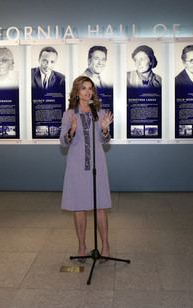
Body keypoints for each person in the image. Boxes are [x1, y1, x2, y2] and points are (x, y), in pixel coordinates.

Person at [60, 76, 114, 258]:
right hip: (76, 166)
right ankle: (82, 246)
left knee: (100, 207)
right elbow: (63, 142)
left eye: (90, 88)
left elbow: (105, 140)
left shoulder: (98, 112)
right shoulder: (69, 114)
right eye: (83, 88)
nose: (87, 91)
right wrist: (72, 130)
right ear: (77, 91)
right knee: (79, 207)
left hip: (97, 165)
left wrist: (105, 129)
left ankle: (105, 245)